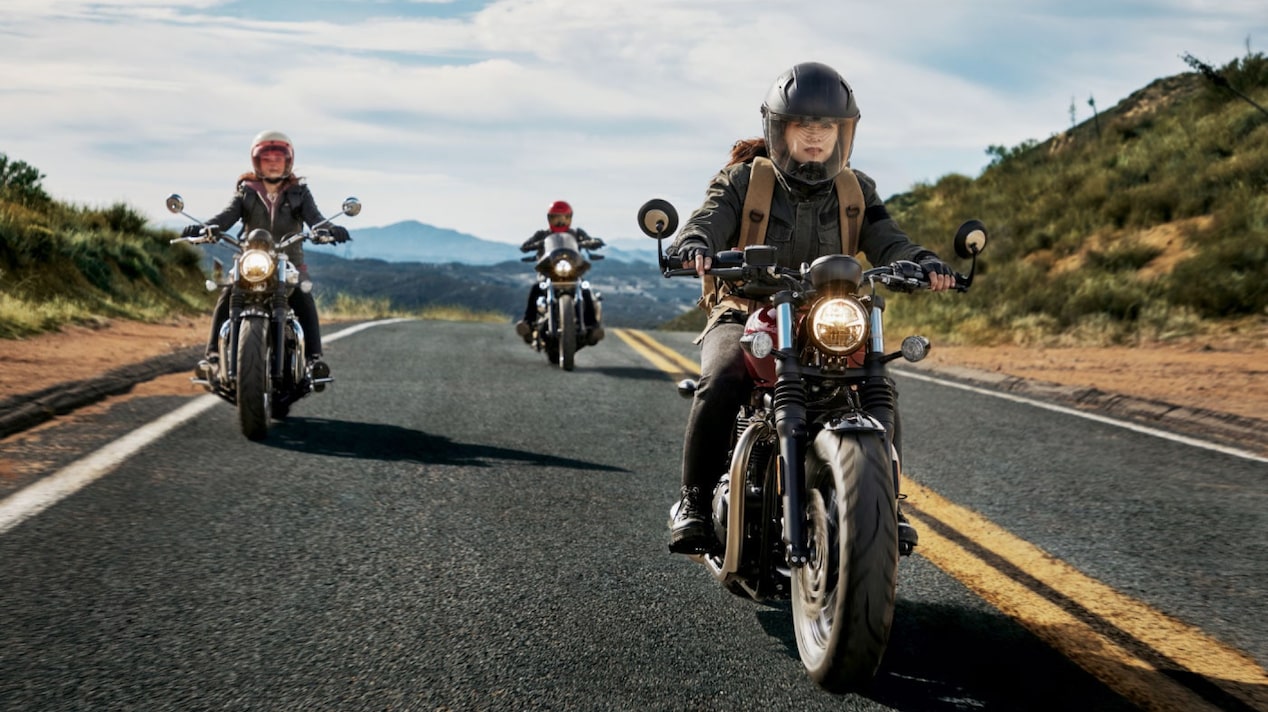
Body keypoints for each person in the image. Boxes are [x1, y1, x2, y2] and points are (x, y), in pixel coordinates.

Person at [666, 61, 956, 555]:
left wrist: (923, 262)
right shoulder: (743, 181)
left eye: (828, 126)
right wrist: (694, 243)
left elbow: (889, 240)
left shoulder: (855, 190)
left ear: (844, 132)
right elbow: (709, 219)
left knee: (876, 382)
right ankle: (692, 500)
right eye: (805, 125)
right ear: (780, 129)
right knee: (722, 376)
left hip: (827, 317)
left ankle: (887, 502)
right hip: (747, 306)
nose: (817, 136)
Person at [182, 130, 348, 380]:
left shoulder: (299, 193)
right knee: (228, 294)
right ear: (257, 161)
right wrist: (206, 228)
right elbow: (226, 216)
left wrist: (328, 229)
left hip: (289, 262)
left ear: (288, 161)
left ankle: (314, 359)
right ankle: (213, 358)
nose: (272, 163)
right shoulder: (246, 192)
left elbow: (315, 218)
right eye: (267, 158)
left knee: (303, 294)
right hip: (252, 260)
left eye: (278, 158)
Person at [514, 200, 604, 342]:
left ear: (570, 218)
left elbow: (590, 239)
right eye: (556, 218)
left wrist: (592, 242)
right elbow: (525, 245)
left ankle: (592, 327)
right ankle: (528, 323)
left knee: (586, 290)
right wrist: (534, 245)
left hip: (572, 273)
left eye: (564, 218)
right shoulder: (542, 235)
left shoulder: (576, 233)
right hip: (549, 273)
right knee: (535, 288)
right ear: (550, 219)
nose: (561, 222)